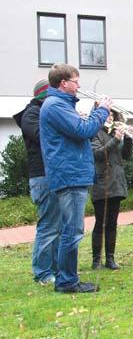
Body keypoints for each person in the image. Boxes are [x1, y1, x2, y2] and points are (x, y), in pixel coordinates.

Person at [40, 63, 112, 293]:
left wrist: (91, 116)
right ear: (64, 83)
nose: (79, 85)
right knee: (72, 231)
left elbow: (79, 130)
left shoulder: (60, 105)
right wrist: (101, 111)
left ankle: (67, 278)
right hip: (69, 175)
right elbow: (83, 131)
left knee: (70, 230)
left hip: (72, 173)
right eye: (75, 81)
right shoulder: (55, 105)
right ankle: (67, 281)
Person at [13, 78, 61, 285]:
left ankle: (56, 269)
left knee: (57, 226)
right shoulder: (31, 114)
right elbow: (46, 137)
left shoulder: (46, 112)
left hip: (54, 175)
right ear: (45, 94)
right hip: (43, 176)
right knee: (48, 226)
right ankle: (43, 272)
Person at [90, 110, 133, 270]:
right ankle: (96, 261)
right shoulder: (94, 133)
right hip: (101, 183)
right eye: (106, 114)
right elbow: (99, 154)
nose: (110, 117)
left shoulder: (116, 133)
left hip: (116, 183)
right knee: (100, 222)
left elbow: (126, 156)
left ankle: (110, 259)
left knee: (112, 223)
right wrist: (115, 139)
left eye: (112, 115)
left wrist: (127, 138)